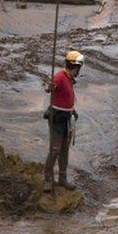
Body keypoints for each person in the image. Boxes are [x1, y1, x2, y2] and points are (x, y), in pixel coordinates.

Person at [43, 50, 83, 192]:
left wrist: (72, 110)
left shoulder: (69, 78)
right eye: (79, 68)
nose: (79, 71)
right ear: (75, 66)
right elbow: (48, 88)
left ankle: (62, 178)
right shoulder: (60, 76)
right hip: (57, 118)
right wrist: (50, 87)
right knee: (55, 150)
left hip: (67, 117)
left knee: (65, 150)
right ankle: (48, 179)